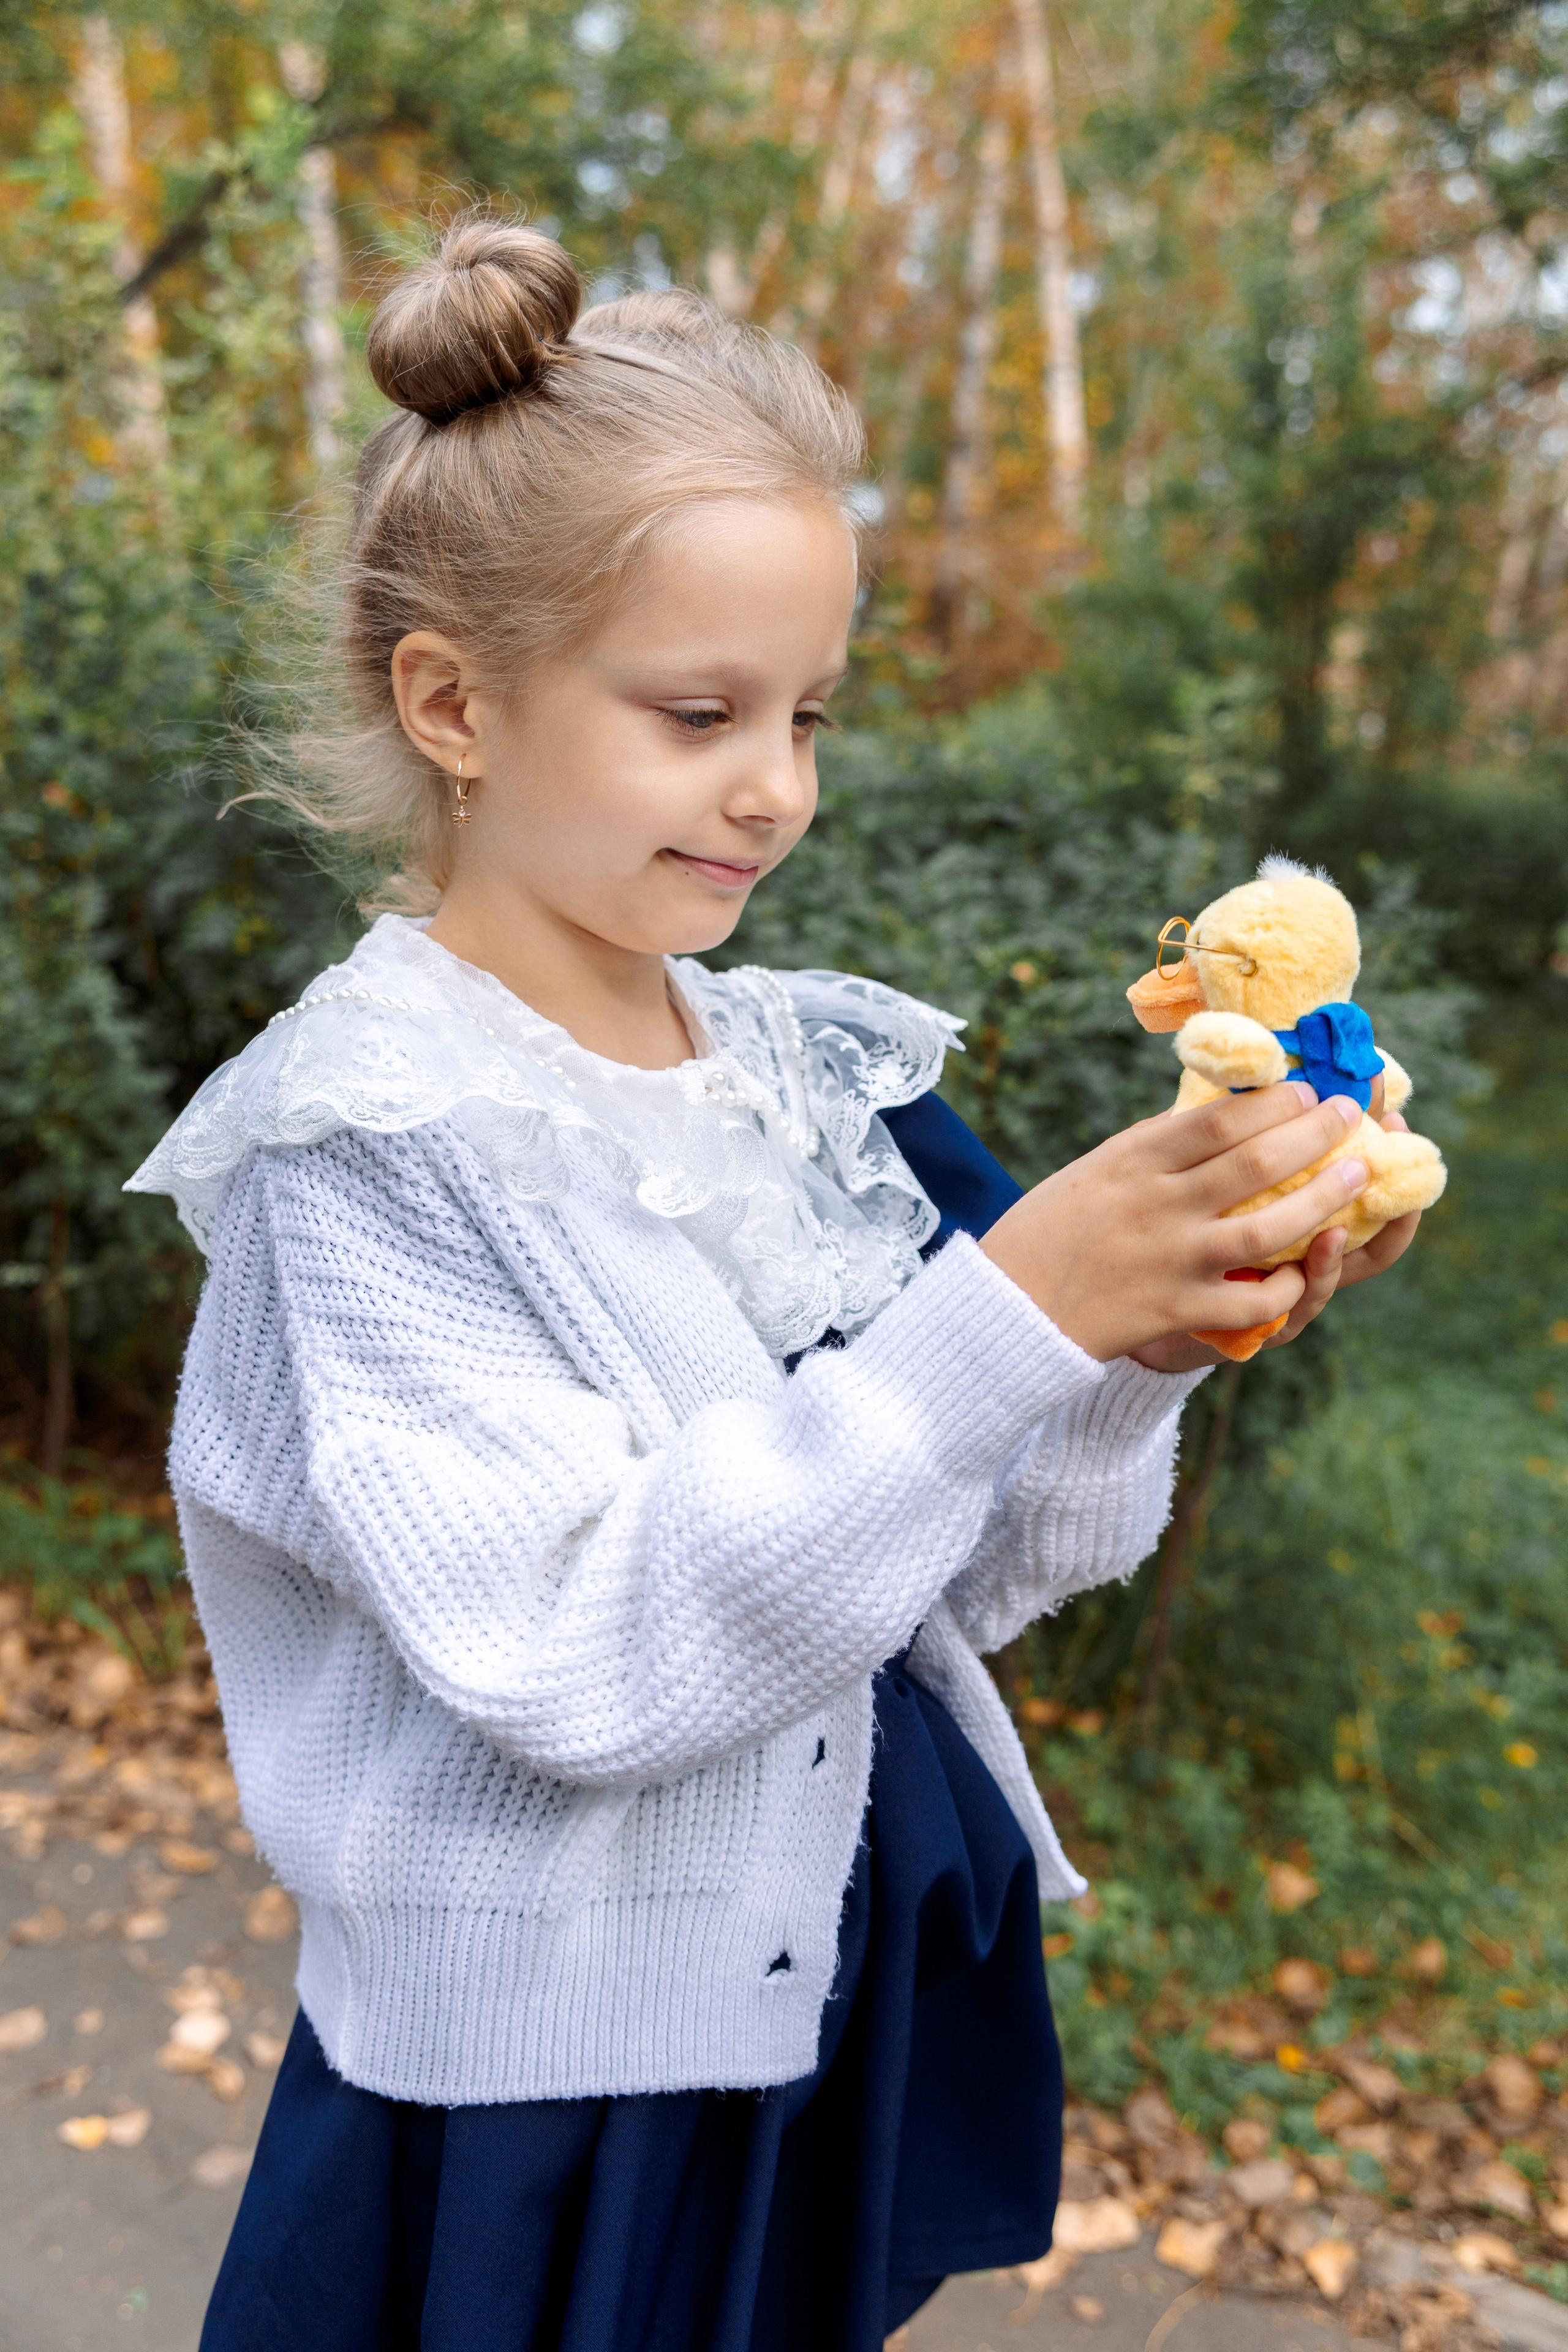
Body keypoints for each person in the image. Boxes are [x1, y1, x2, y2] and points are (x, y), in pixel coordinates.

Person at [127, 208, 1419, 2352]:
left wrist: (1150, 1331)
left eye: (809, 712)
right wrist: (1012, 1312)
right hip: (553, 2106)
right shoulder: (369, 1148)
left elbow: (950, 1574)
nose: (778, 788)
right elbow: (583, 1660)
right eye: (700, 711)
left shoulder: (798, 1076)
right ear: (452, 702)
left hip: (820, 2017)